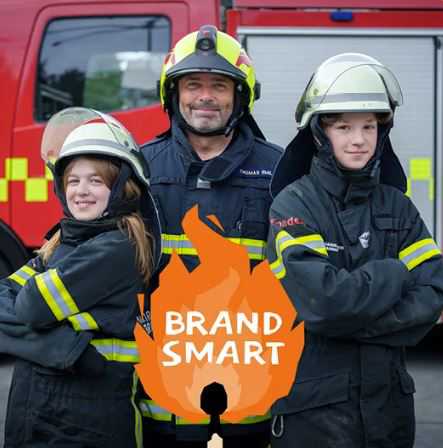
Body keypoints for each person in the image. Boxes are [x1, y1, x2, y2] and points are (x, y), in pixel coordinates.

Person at [267, 53, 443, 448]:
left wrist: (349, 322)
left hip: (389, 411)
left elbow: (433, 295)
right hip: (315, 415)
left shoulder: (398, 206)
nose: (359, 139)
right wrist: (396, 272)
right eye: (344, 127)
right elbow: (324, 303)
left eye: (369, 126)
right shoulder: (294, 205)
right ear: (320, 133)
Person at [139, 24, 282, 447]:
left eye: (219, 85)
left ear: (240, 96)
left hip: (247, 390)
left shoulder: (279, 171)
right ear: (173, 94)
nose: (205, 96)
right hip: (163, 393)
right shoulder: (141, 169)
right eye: (193, 85)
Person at [0, 108, 161, 447]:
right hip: (38, 409)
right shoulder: (63, 241)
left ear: (121, 188)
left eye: (96, 181)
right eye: (73, 180)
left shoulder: (116, 247)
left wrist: (30, 332)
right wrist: (63, 348)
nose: (81, 190)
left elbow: (29, 307)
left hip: (87, 418)